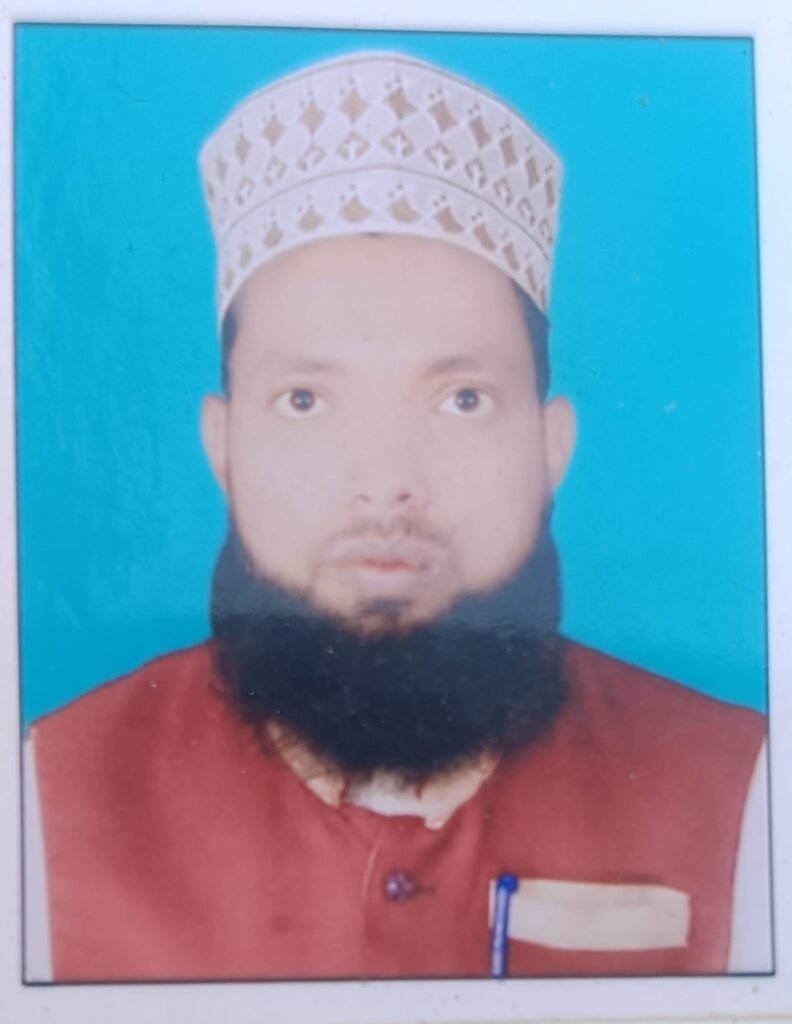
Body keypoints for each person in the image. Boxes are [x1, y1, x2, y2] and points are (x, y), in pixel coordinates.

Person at [23, 50, 770, 983]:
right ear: (224, 446)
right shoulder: (42, 801)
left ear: (551, 447)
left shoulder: (747, 792)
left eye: (461, 399)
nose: (384, 484)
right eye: (305, 400)